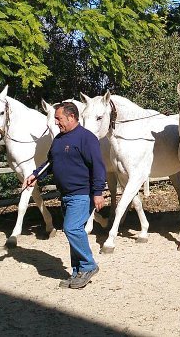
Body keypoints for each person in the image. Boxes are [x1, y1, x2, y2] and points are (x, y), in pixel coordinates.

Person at [23, 102, 107, 289]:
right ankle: (77, 272)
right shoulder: (59, 140)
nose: (56, 122)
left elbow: (98, 167)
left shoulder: (87, 138)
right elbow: (50, 163)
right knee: (73, 232)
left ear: (71, 117)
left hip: (82, 193)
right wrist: (35, 175)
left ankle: (88, 265)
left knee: (72, 229)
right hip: (66, 195)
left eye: (59, 118)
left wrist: (99, 192)